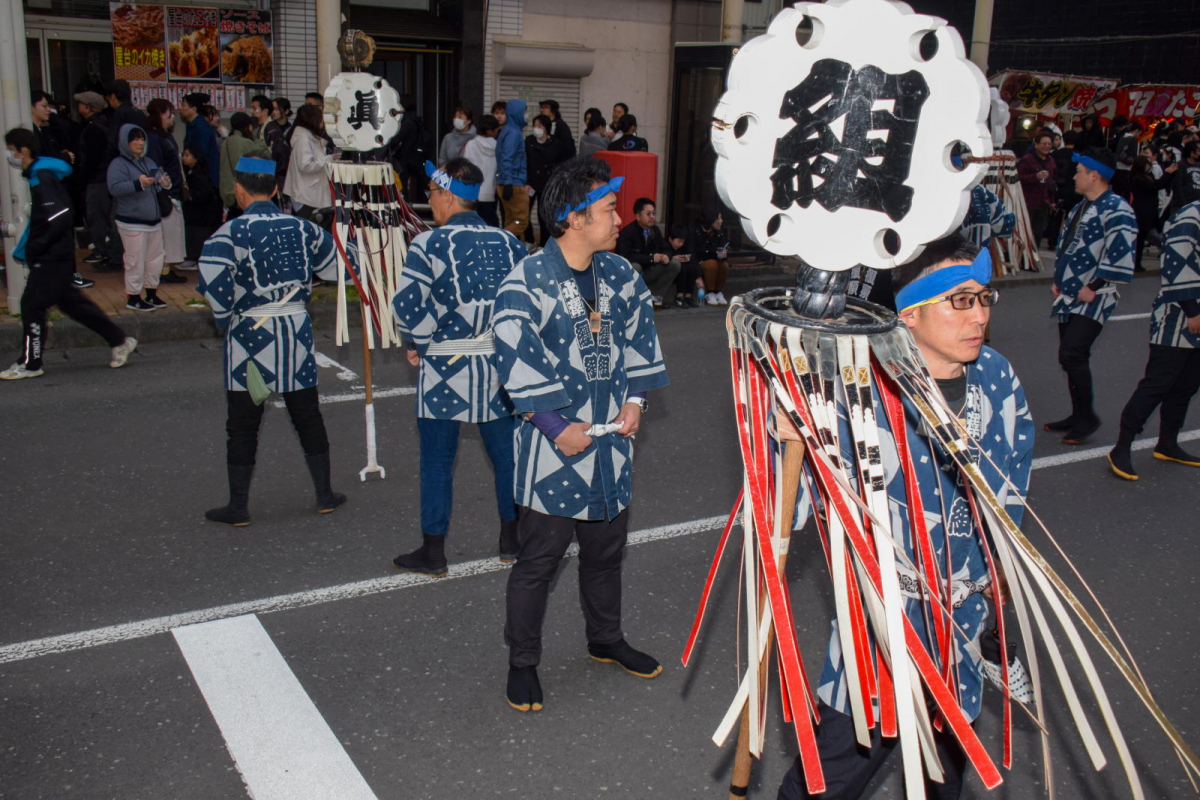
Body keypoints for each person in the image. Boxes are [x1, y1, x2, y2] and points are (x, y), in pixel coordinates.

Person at [776, 234, 1034, 800]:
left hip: (962, 623)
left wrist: (1000, 577)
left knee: (946, 770)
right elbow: (784, 517)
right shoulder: (857, 388)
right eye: (959, 301)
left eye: (984, 298)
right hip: (883, 623)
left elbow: (1011, 485)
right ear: (910, 315)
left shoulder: (997, 377)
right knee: (832, 774)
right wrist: (789, 439)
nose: (979, 315)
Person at [492, 156, 669, 713]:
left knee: (605, 551)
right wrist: (553, 426)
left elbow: (641, 340)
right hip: (553, 450)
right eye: (609, 209)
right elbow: (513, 357)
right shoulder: (526, 281)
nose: (620, 219)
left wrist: (637, 400)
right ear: (572, 219)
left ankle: (605, 639)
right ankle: (522, 664)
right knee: (539, 561)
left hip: (611, 444)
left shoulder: (622, 274)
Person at [390, 158, 527, 575]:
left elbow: (408, 306)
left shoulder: (427, 244)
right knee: (508, 459)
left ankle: (433, 551)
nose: (430, 200)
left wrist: (420, 342)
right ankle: (512, 539)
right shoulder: (511, 243)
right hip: (499, 367)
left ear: (448, 196)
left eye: (432, 193)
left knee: (436, 461)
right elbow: (525, 306)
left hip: (446, 366)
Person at [197, 156, 346, 526]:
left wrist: (225, 317)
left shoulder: (227, 234)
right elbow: (336, 266)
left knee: (243, 422)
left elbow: (215, 287)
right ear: (277, 189)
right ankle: (325, 494)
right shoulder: (304, 229)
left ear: (239, 191)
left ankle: (238, 506)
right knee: (307, 414)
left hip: (250, 336)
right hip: (295, 332)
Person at [1, 128, 135, 381]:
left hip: (51, 255)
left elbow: (57, 217)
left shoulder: (41, 176)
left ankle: (31, 363)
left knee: (31, 305)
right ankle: (120, 340)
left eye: (10, 149)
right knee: (74, 305)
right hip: (57, 253)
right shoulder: (41, 174)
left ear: (23, 150)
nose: (9, 155)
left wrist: (35, 246)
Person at [1047, 148, 1137, 444]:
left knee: (1073, 353)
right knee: (1070, 356)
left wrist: (1094, 286)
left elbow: (1122, 254)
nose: (1074, 176)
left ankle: (1087, 417)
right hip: (1071, 293)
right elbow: (1068, 247)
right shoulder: (1081, 206)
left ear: (1094, 175)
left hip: (1094, 296)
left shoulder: (1117, 208)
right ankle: (1079, 414)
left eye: (1079, 171)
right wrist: (1058, 280)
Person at [1108, 200, 1200, 480]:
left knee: (1186, 385)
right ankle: (1121, 446)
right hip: (1178, 316)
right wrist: (1193, 311)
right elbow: (1176, 263)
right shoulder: (1190, 216)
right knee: (1157, 384)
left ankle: (1167, 443)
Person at [107, 124, 170, 312]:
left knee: (155, 259)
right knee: (135, 260)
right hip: (131, 221)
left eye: (142, 138)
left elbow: (157, 186)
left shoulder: (149, 162)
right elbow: (114, 188)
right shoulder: (118, 164)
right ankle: (133, 297)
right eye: (134, 139)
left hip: (154, 221)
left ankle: (151, 293)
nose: (139, 143)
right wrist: (138, 184)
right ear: (125, 142)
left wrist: (163, 184)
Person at [74, 90, 120, 273]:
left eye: (80, 104)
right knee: (102, 217)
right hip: (102, 179)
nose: (78, 107)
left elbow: (92, 159)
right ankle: (105, 251)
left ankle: (103, 252)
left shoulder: (94, 129)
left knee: (98, 218)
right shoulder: (101, 125)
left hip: (97, 181)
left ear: (88, 107)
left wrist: (83, 179)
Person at [144, 99, 188, 284]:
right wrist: (163, 187)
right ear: (161, 114)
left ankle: (165, 268)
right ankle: (162, 270)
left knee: (171, 233)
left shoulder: (164, 136)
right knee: (164, 234)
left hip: (173, 191)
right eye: (170, 113)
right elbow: (154, 167)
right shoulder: (154, 138)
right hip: (165, 193)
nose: (173, 117)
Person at [615, 197, 681, 307]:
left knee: (674, 264)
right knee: (635, 266)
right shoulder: (627, 232)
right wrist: (650, 258)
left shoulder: (655, 230)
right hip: (635, 273)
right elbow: (625, 256)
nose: (652, 217)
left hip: (650, 271)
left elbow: (666, 248)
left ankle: (654, 296)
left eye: (653, 214)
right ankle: (633, 299)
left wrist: (666, 256)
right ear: (638, 216)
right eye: (648, 214)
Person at [284, 104, 336, 227]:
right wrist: (329, 158)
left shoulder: (308, 136)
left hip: (310, 193)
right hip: (307, 196)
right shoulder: (303, 138)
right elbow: (305, 165)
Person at [1130, 154, 1177, 270]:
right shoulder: (1138, 179)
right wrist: (1168, 173)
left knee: (1147, 238)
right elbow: (1157, 185)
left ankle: (1137, 264)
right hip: (1143, 213)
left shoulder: (1145, 177)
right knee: (1148, 239)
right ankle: (1136, 264)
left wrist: (1169, 174)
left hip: (1149, 213)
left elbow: (1159, 184)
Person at [219, 112, 270, 217]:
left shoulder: (225, 142)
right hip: (245, 194)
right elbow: (266, 159)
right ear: (248, 126)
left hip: (228, 192)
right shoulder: (247, 143)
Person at [525, 113, 563, 250]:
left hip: (547, 184)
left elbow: (559, 164)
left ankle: (543, 244)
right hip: (530, 183)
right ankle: (528, 240)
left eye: (539, 126)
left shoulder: (555, 144)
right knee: (524, 214)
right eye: (534, 125)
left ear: (546, 128)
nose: (536, 128)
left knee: (544, 216)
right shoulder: (528, 141)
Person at [181, 144, 223, 266]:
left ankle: (196, 260)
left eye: (187, 155)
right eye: (184, 155)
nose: (184, 158)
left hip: (202, 214)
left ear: (196, 158)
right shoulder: (189, 172)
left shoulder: (200, 175)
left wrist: (188, 195)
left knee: (199, 238)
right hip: (196, 214)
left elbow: (203, 193)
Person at [1016, 131, 1056, 250]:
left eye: (1049, 144)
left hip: (1043, 202)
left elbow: (1052, 181)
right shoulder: (1027, 160)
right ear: (1036, 144)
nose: (1047, 146)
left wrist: (1052, 200)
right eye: (1044, 144)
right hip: (1028, 201)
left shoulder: (1051, 161)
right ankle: (1022, 257)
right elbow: (1018, 178)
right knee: (1024, 230)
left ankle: (1034, 255)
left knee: (1039, 231)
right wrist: (1035, 177)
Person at [496, 99, 530, 238]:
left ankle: (512, 251)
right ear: (517, 113)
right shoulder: (514, 133)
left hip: (507, 182)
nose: (526, 114)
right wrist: (509, 182)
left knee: (511, 219)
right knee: (520, 221)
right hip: (514, 183)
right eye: (524, 111)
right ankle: (502, 239)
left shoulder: (507, 131)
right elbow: (507, 158)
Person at [388, 94, 427, 205]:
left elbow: (395, 141)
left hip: (404, 159)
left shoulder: (406, 123)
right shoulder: (415, 121)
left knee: (402, 185)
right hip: (414, 158)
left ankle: (405, 207)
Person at [462, 114, 500, 226]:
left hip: (474, 191)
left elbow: (466, 167)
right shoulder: (498, 146)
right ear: (490, 130)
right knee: (491, 223)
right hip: (491, 190)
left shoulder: (471, 144)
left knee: (474, 222)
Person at [251, 95, 290, 197]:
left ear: (265, 111)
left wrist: (277, 173)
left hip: (272, 175)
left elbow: (280, 152)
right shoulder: (261, 127)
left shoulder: (270, 127)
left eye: (255, 108)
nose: (252, 111)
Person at [180, 92, 220, 187]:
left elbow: (201, 155)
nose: (180, 108)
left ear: (193, 109)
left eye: (183, 105)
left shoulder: (201, 127)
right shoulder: (192, 125)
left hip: (205, 181)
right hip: (198, 177)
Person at [693, 207, 730, 305]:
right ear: (710, 220)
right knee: (711, 264)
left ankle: (718, 292)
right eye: (718, 218)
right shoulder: (696, 231)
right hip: (701, 261)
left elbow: (722, 248)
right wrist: (715, 253)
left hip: (716, 260)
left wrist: (724, 254)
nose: (721, 221)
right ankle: (709, 292)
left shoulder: (719, 232)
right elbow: (698, 252)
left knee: (724, 265)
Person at [103, 80, 148, 159]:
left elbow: (114, 141)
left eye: (108, 98)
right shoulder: (139, 112)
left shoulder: (120, 113)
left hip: (124, 158)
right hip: (140, 156)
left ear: (113, 96)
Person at [666, 224, 702, 308]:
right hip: (670, 270)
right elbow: (664, 255)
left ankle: (689, 295)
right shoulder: (665, 244)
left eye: (682, 242)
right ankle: (679, 296)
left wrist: (698, 276)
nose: (681, 244)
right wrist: (672, 257)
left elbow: (692, 256)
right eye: (678, 241)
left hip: (683, 268)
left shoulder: (684, 247)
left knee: (691, 265)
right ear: (671, 239)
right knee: (683, 267)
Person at [1168, 140, 1200, 214]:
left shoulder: (1198, 165)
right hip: (1182, 207)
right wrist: (1184, 205)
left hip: (1197, 207)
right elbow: (1177, 187)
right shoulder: (1180, 165)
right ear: (1192, 153)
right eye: (1198, 151)